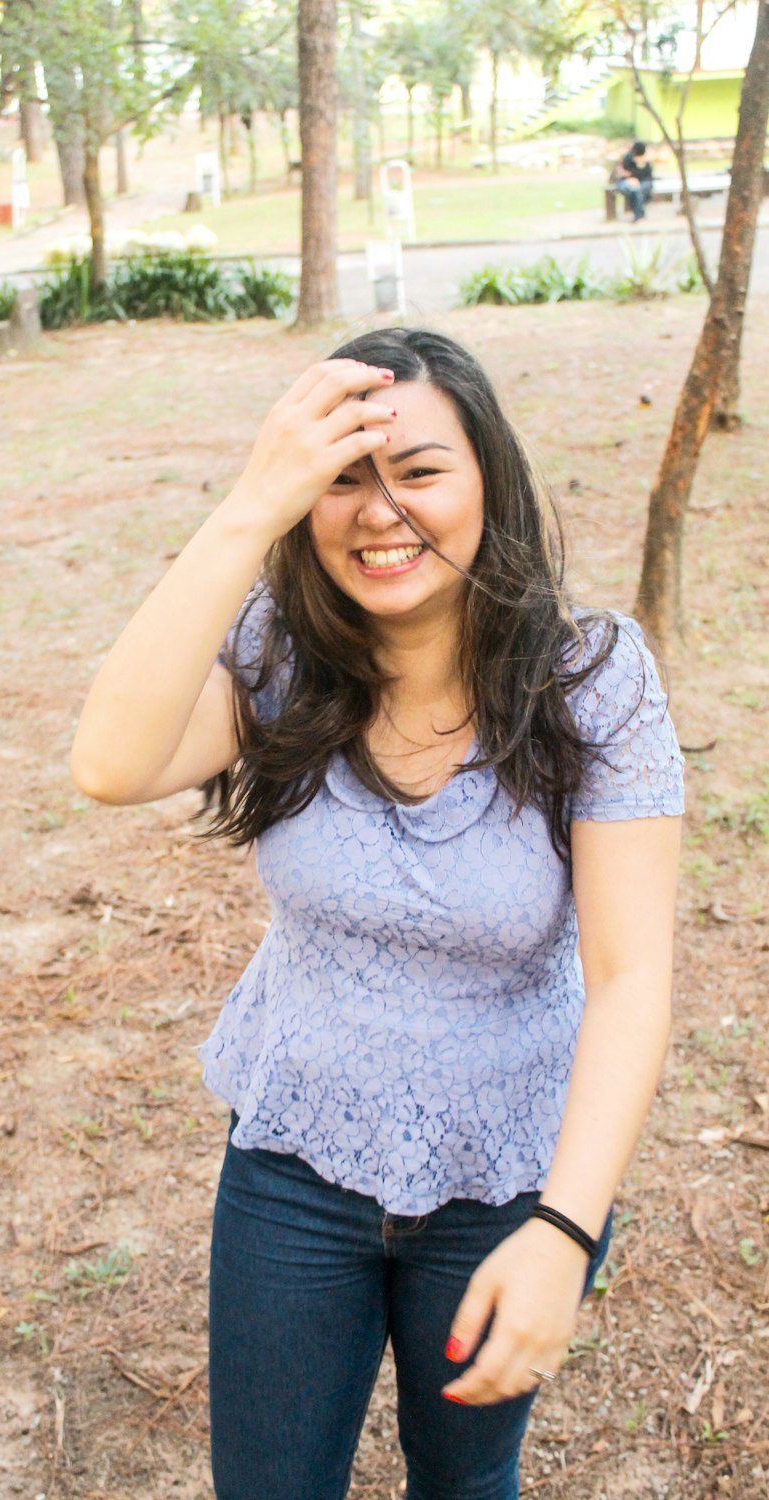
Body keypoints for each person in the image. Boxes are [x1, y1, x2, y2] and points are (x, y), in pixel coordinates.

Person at [70, 328, 684, 1500]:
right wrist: (252, 503)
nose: (379, 511)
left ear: (488, 482)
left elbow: (629, 977)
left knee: (462, 1485)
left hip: (504, 1170)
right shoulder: (280, 656)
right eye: (341, 476)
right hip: (296, 1157)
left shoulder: (593, 680)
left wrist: (564, 1230)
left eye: (419, 469)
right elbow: (107, 762)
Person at [615, 140, 654, 221]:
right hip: (628, 182)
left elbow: (647, 175)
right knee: (635, 191)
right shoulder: (628, 158)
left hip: (642, 182)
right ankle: (639, 213)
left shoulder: (646, 161)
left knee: (638, 191)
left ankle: (638, 214)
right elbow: (623, 172)